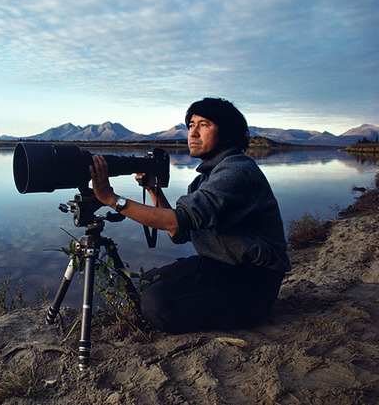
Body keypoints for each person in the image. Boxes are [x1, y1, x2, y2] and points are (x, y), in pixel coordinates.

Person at [89, 97, 290, 334]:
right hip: (215, 265)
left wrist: (112, 199)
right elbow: (179, 232)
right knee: (143, 283)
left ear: (227, 134)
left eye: (204, 125)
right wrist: (153, 190)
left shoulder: (237, 172)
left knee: (156, 303)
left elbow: (175, 220)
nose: (193, 133)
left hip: (251, 282)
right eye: (191, 125)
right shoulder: (204, 179)